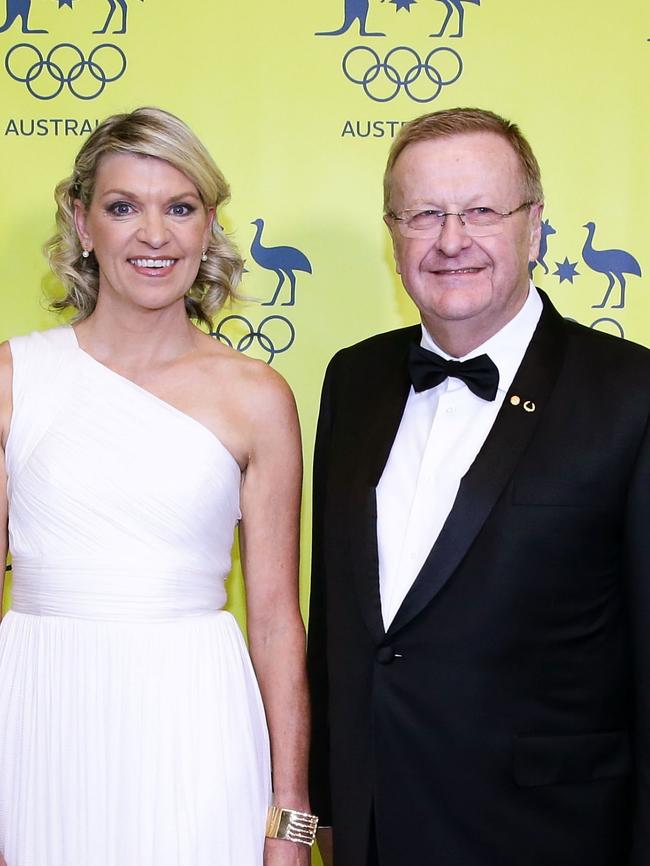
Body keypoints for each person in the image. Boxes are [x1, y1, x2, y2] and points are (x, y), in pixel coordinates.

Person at [307, 107, 650, 866]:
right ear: (392, 233)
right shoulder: (352, 378)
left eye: (482, 212)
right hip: (376, 829)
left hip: (550, 836)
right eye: (424, 214)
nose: (451, 239)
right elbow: (336, 624)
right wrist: (322, 813)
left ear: (533, 226)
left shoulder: (632, 393)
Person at [0, 107, 316, 866]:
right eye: (122, 207)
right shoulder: (14, 378)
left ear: (208, 226)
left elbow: (275, 624)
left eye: (179, 207)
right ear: (82, 223)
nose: (154, 235)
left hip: (195, 719)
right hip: (39, 713)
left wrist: (290, 818)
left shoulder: (257, 396)